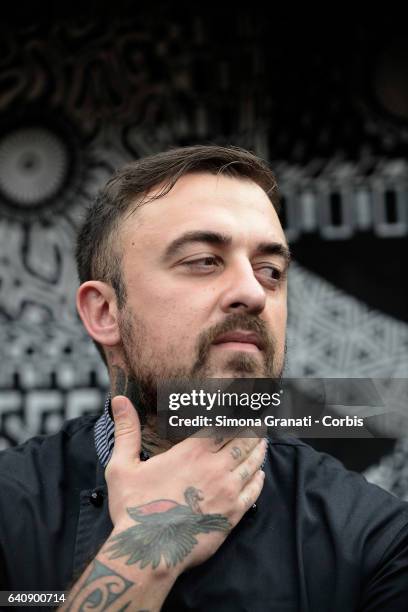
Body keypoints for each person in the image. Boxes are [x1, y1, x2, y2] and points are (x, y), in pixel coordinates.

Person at [0, 145, 407, 611]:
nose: (253, 293)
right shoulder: (11, 510)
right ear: (106, 312)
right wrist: (145, 551)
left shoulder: (373, 540)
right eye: (203, 261)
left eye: (270, 271)